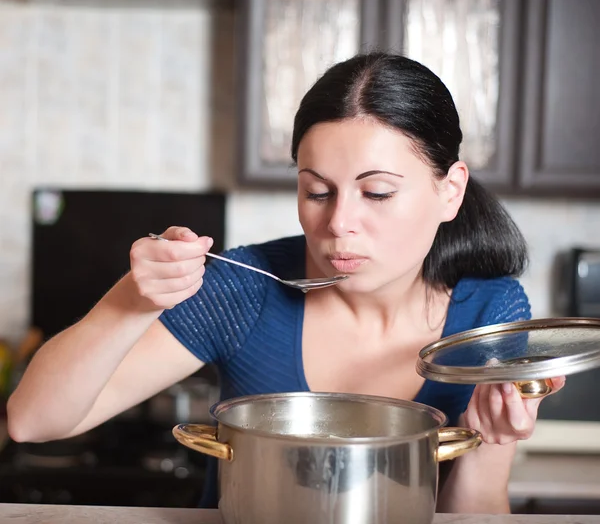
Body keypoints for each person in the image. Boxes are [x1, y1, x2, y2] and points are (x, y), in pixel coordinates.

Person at [7, 52, 564, 513]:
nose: (339, 222)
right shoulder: (243, 291)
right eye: (318, 191)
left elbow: (477, 504)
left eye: (377, 193)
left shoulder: (491, 312)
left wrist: (492, 439)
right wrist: (131, 300)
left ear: (451, 190)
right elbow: (33, 422)